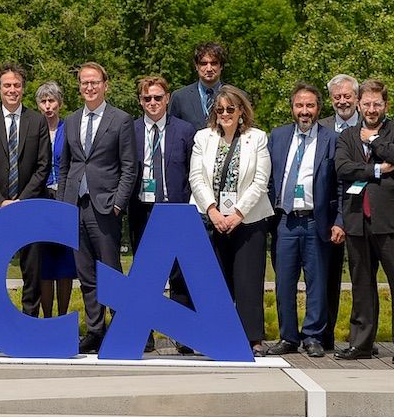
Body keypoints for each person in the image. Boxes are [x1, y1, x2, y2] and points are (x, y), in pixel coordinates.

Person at [333, 79, 394, 364]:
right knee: (362, 285)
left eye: (376, 104)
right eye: (366, 104)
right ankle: (361, 343)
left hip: (392, 223)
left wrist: (374, 140)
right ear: (358, 105)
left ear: (385, 105)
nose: (371, 109)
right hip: (358, 220)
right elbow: (342, 168)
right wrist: (378, 170)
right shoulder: (347, 136)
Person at [57, 62, 136, 354]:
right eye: (84, 82)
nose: (89, 87)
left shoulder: (121, 119)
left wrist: (118, 203)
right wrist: (64, 204)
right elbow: (65, 166)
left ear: (105, 85)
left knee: (110, 271)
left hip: (105, 207)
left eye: (94, 82)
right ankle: (95, 330)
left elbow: (129, 167)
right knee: (86, 273)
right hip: (75, 206)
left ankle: (123, 328)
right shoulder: (71, 120)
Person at [189, 84, 272, 356]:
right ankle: (215, 335)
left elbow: (260, 181)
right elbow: (196, 178)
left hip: (248, 220)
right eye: (220, 110)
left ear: (241, 111)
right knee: (214, 281)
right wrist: (213, 211)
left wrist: (237, 214)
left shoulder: (257, 138)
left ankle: (252, 338)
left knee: (248, 280)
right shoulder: (203, 138)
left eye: (230, 109)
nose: (225, 114)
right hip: (211, 218)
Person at [266, 82, 340, 358]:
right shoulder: (278, 136)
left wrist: (339, 220)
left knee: (317, 282)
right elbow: (268, 178)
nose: (304, 111)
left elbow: (340, 185)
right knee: (284, 282)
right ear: (292, 108)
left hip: (315, 221)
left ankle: (313, 336)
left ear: (318, 109)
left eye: (310, 105)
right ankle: (288, 337)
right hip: (284, 221)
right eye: (300, 105)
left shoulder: (331, 139)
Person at [0, 63, 51, 318]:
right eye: (7, 85)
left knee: (32, 269)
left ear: (23, 88)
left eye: (17, 85)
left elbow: (43, 166)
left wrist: (21, 201)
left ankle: (29, 320)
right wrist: (1, 202)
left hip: (29, 207)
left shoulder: (37, 121)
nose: (12, 90)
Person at [129, 75, 196, 353]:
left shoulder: (185, 130)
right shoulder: (130, 130)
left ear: (167, 98)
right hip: (142, 210)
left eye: (158, 97)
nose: (153, 102)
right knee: (144, 275)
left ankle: (183, 333)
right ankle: (143, 333)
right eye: (147, 98)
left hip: (175, 209)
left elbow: (193, 171)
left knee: (179, 274)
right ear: (140, 101)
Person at [317, 73, 359, 351]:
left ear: (356, 97)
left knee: (362, 278)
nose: (342, 101)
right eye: (337, 97)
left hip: (364, 212)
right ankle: (325, 335)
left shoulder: (370, 125)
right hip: (329, 215)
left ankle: (361, 338)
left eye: (347, 96)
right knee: (328, 278)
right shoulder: (320, 127)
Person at [34, 81, 75, 319]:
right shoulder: (33, 129)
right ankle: (47, 317)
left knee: (65, 261)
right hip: (41, 199)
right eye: (43, 101)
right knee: (45, 262)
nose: (48, 106)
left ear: (60, 103)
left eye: (52, 101)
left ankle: (63, 315)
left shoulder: (68, 127)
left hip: (64, 197)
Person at [168, 42, 227, 131]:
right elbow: (171, 132)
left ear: (221, 66)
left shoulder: (237, 96)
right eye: (203, 63)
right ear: (196, 66)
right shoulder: (179, 97)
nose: (209, 69)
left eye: (214, 63)